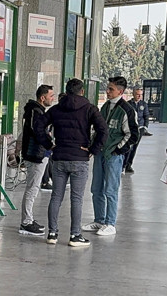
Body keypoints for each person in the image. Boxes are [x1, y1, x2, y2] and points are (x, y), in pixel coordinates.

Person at [34, 78, 107, 247]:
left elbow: (38, 126)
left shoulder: (56, 109)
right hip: (80, 157)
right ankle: (75, 236)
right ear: (82, 92)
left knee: (56, 197)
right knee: (77, 199)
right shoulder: (90, 109)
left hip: (59, 157)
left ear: (66, 91)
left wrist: (49, 144)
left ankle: (52, 233)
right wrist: (93, 150)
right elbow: (103, 130)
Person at [81, 76, 138, 237]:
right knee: (96, 188)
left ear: (120, 91)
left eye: (111, 89)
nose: (107, 91)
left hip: (113, 156)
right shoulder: (105, 107)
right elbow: (98, 129)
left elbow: (133, 135)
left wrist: (118, 150)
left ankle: (110, 223)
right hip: (100, 153)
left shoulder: (126, 110)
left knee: (111, 189)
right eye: (108, 88)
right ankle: (99, 219)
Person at [18, 84, 54, 236]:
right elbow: (38, 132)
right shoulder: (35, 112)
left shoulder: (38, 111)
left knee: (34, 188)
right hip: (35, 155)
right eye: (51, 96)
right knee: (32, 188)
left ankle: (28, 219)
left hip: (40, 154)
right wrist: (50, 144)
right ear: (42, 97)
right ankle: (26, 222)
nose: (53, 99)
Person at [124, 88, 152, 173]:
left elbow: (146, 116)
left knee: (134, 147)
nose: (139, 96)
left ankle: (129, 165)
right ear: (133, 94)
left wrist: (145, 127)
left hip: (140, 129)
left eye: (141, 94)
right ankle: (123, 164)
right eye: (137, 94)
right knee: (129, 147)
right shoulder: (128, 104)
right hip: (130, 128)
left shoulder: (143, 104)